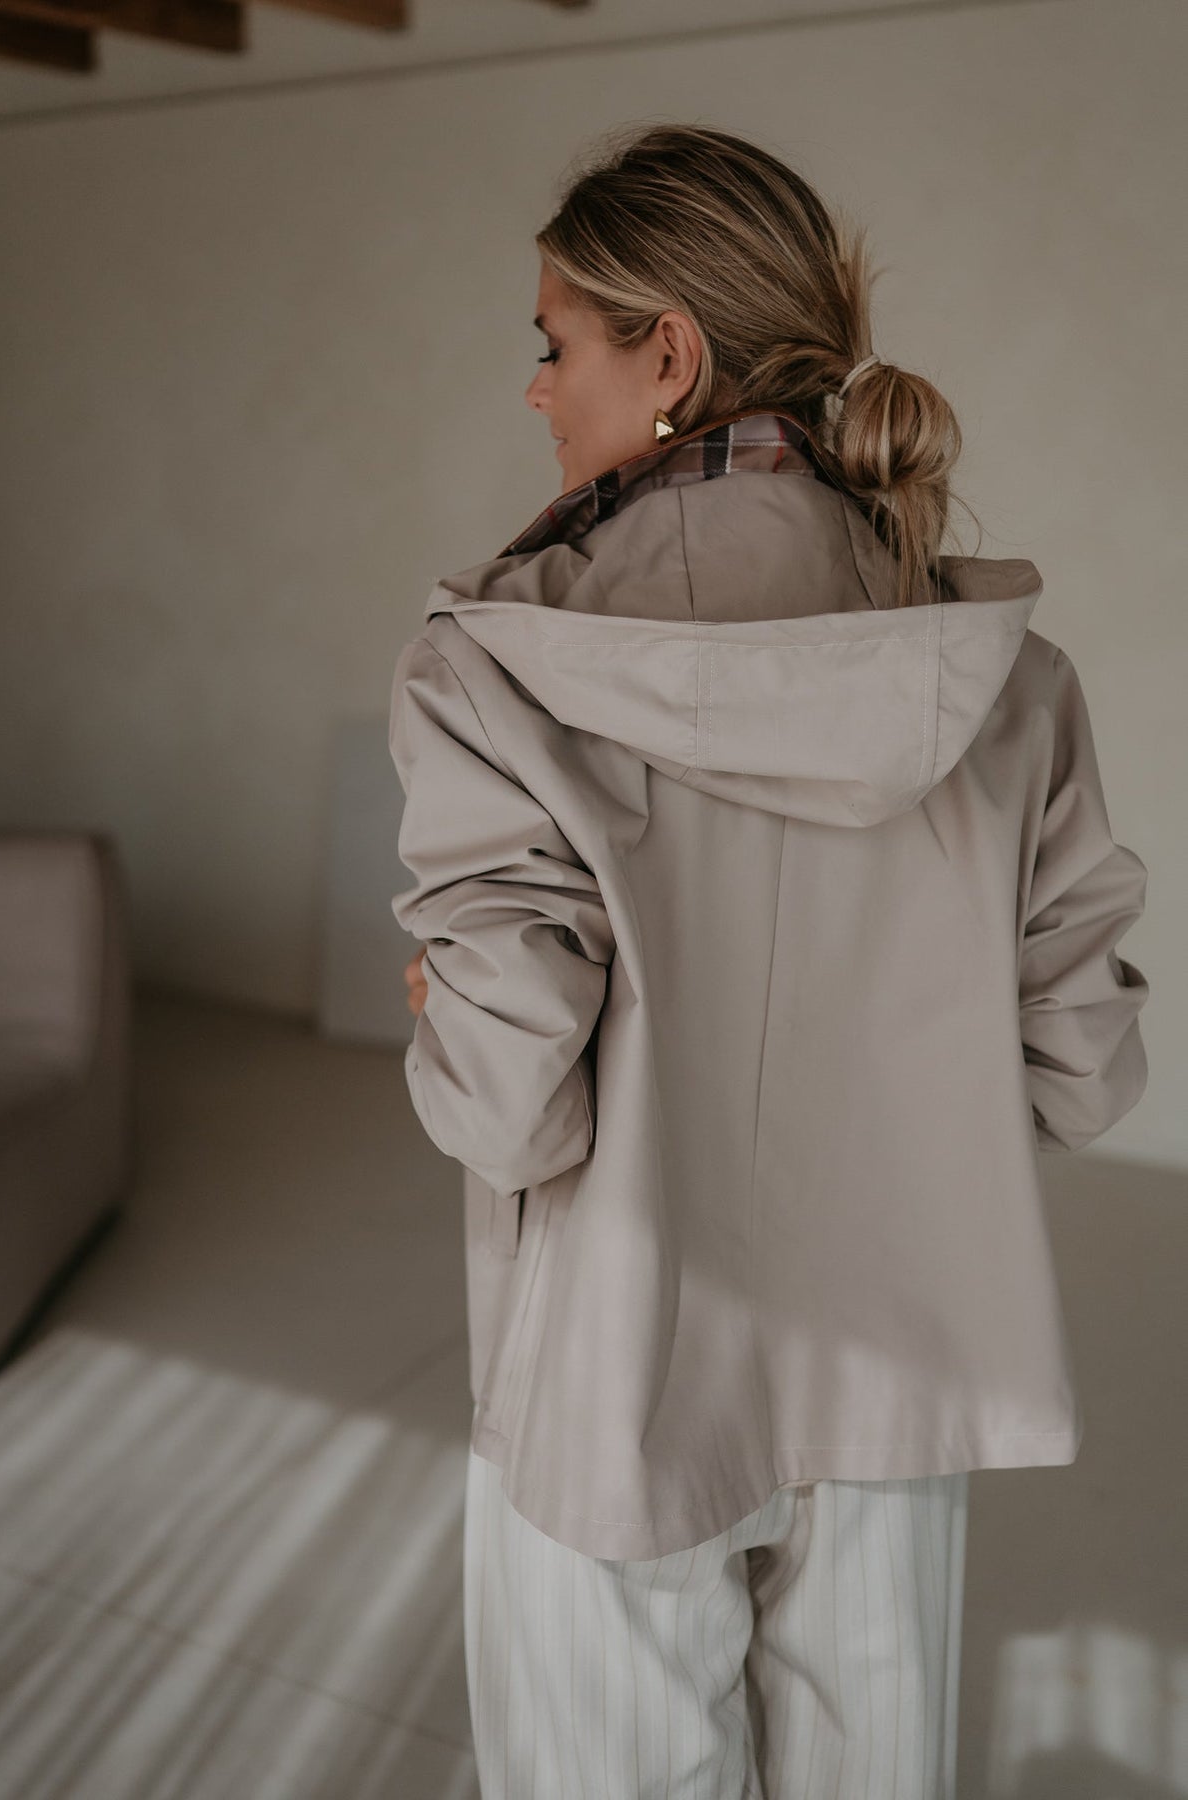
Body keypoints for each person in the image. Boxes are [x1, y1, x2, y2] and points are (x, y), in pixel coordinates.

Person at [387, 123, 1150, 1800]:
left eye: (553, 342)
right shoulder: (1004, 679)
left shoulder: (491, 667)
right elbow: (1086, 1069)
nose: (535, 388)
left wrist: (441, 1012)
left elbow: (511, 1107)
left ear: (667, 357)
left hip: (619, 1373)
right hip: (898, 1367)